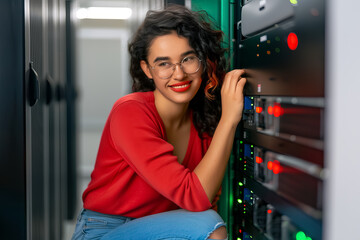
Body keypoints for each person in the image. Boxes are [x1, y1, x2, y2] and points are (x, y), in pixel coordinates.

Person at [72, 4, 246, 240]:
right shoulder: (129, 112)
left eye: (188, 59)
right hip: (104, 230)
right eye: (164, 63)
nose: (179, 74)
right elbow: (197, 198)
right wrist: (229, 119)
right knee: (209, 226)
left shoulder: (204, 124)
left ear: (203, 61)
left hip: (160, 230)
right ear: (147, 69)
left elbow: (204, 204)